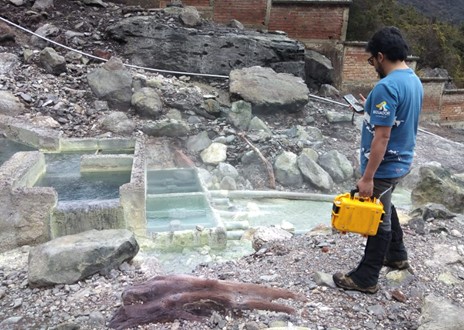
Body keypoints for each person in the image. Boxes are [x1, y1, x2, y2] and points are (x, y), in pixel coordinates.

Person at [333, 26, 423, 294]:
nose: (372, 65)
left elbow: (382, 137)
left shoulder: (387, 86)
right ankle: (397, 255)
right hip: (403, 161)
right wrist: (368, 106)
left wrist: (367, 177)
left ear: (381, 56)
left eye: (372, 60)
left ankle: (366, 278)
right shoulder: (413, 80)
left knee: (378, 217)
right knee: (385, 204)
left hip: (385, 165)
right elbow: (398, 117)